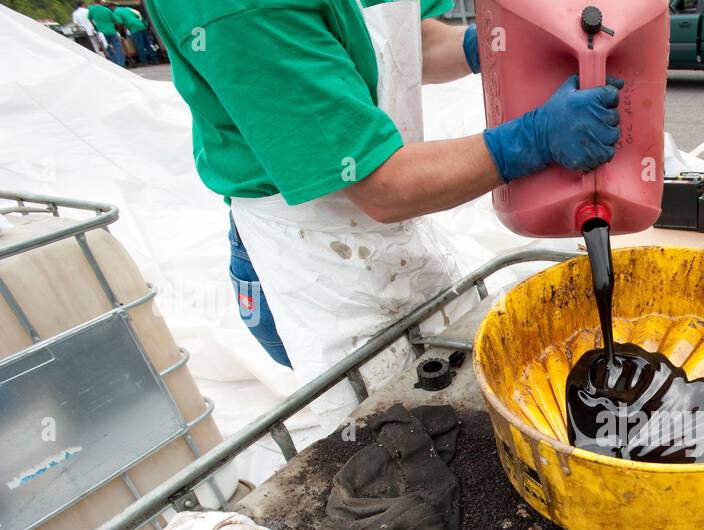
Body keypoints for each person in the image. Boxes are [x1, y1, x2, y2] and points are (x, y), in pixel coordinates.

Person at [150, 0, 622, 433]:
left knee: (450, 386)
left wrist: (484, 45)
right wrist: (531, 140)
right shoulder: (236, 9)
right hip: (311, 251)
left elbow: (406, 41)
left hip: (393, 211)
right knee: (384, 433)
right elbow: (381, 185)